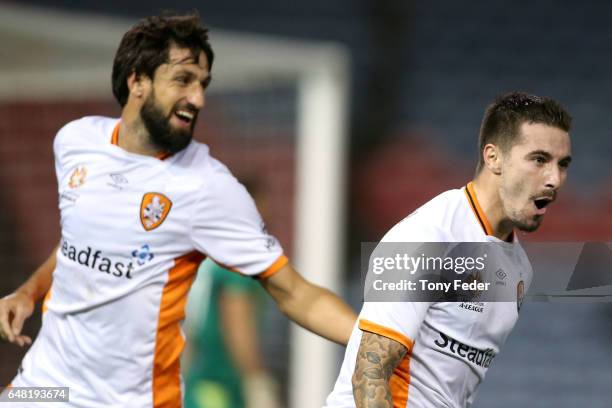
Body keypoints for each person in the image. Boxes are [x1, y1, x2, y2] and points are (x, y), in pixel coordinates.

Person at [0, 13, 356, 408]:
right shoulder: (75, 141)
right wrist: (28, 292)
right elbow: (78, 240)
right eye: (183, 80)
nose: (198, 99)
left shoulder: (208, 186)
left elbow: (296, 294)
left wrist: (380, 339)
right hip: (45, 388)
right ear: (138, 81)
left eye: (203, 84)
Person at [325, 92, 572, 408]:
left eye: (562, 164)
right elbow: (369, 375)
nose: (554, 179)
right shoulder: (428, 238)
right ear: (493, 157)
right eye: (539, 160)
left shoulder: (519, 266)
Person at [183, 179, 282, 408]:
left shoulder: (208, 253)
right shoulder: (239, 259)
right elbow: (237, 323)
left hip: (198, 379)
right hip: (219, 383)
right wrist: (256, 380)